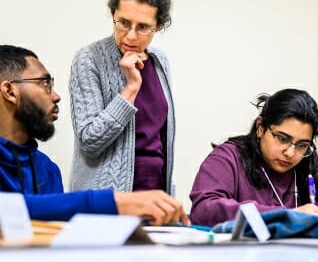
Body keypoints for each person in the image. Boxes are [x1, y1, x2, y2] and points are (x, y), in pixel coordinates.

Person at [0, 44, 190, 226]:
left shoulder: (47, 170)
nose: (56, 96)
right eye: (44, 83)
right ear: (9, 91)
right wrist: (113, 202)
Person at [69, 0, 175, 195]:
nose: (131, 36)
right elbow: (89, 141)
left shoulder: (159, 61)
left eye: (143, 27)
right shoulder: (89, 58)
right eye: (123, 23)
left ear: (158, 26)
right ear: (113, 14)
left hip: (154, 197)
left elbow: (160, 140)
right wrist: (131, 88)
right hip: (105, 199)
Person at [190, 89, 318, 226]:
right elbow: (203, 209)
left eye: (302, 145)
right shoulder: (229, 157)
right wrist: (286, 215)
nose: (290, 153)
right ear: (260, 127)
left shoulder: (309, 163)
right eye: (282, 139)